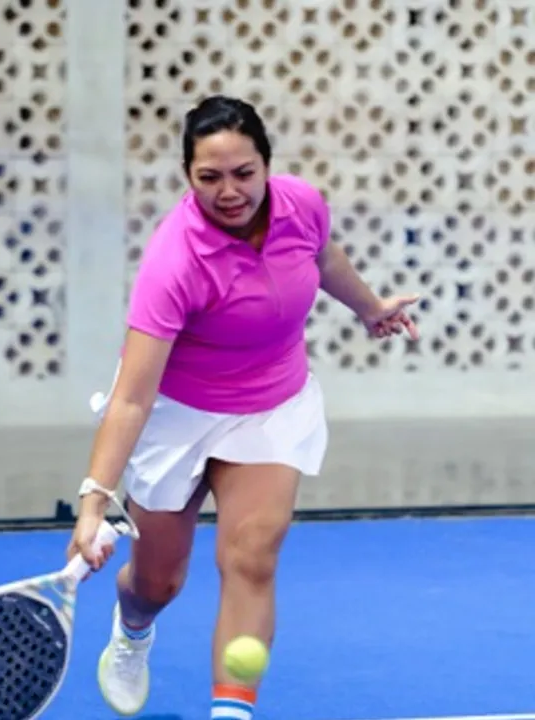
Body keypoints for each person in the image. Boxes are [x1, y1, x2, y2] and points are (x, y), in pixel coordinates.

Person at [66, 94, 419, 718]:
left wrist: (369, 308)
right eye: (209, 177)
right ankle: (133, 630)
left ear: (266, 165)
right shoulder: (173, 262)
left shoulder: (301, 204)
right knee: (157, 582)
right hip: (174, 413)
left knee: (252, 557)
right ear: (187, 175)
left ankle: (231, 712)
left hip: (270, 407)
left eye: (243, 173)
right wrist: (94, 500)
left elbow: (322, 257)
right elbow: (132, 398)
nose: (229, 191)